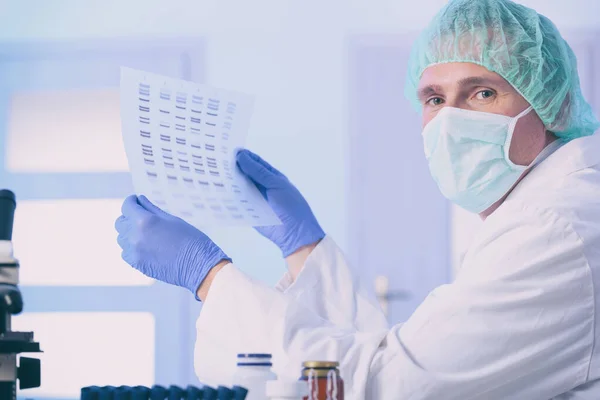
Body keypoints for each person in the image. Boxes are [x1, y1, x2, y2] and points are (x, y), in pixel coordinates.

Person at [115, 0, 600, 398]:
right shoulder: (546, 206)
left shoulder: (553, 226)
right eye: (433, 99)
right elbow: (397, 355)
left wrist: (209, 278)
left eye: (481, 93)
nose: (450, 121)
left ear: (551, 105)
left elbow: (390, 386)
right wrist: (305, 251)